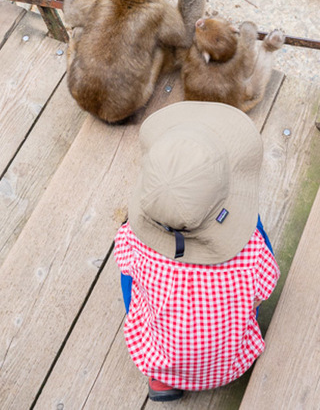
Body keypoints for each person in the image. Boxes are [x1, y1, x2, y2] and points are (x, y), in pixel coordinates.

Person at [114, 101, 280, 402]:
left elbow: (126, 268)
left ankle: (163, 381)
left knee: (130, 273)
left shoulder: (133, 239)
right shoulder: (250, 250)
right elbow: (264, 289)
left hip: (162, 360)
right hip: (231, 363)